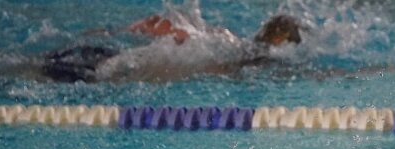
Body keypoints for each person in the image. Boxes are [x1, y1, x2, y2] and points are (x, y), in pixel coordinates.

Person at [41, 13, 305, 83]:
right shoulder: (241, 61)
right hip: (111, 72)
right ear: (279, 40)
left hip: (116, 56)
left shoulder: (223, 37)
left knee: (39, 65)